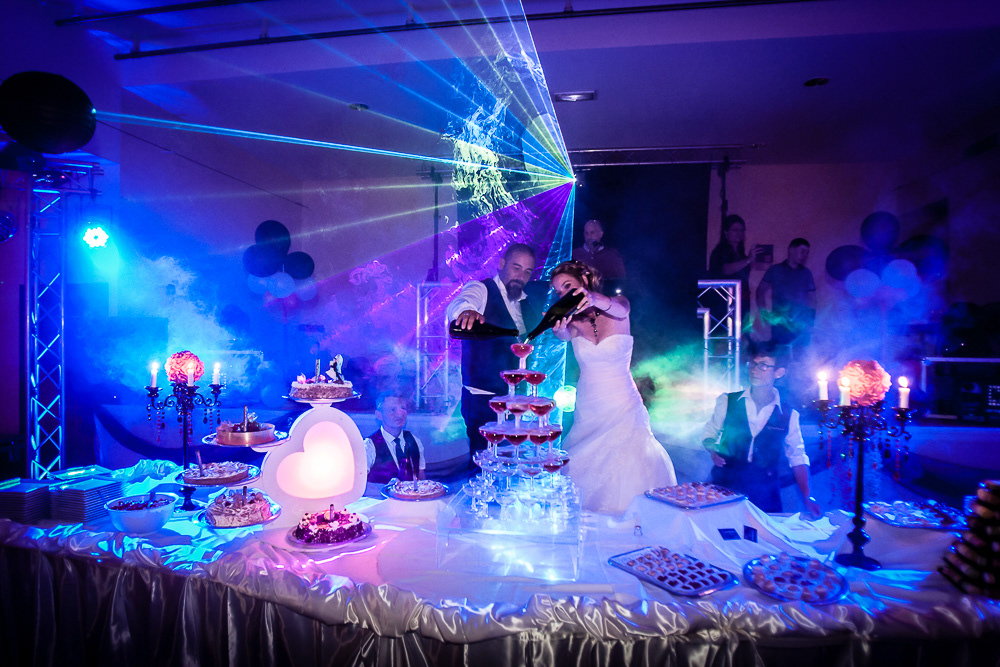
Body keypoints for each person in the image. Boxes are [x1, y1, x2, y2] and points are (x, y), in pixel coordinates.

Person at [550, 260, 677, 516]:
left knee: (632, 454)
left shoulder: (620, 305)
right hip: (590, 403)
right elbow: (562, 336)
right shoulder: (571, 322)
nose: (563, 294)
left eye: (567, 286)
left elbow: (617, 309)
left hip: (622, 398)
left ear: (584, 280)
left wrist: (593, 298)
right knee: (583, 458)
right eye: (559, 292)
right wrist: (560, 328)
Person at [446, 243, 540, 469]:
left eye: (527, 271)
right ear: (501, 264)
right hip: (483, 399)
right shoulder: (482, 289)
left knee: (511, 466)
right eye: (516, 268)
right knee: (483, 467)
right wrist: (466, 312)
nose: (521, 276)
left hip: (517, 401)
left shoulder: (527, 303)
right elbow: (460, 303)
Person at [701, 344, 821, 516]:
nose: (754, 370)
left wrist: (808, 496)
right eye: (752, 364)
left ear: (778, 373)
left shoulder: (788, 415)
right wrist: (713, 450)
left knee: (762, 539)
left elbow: (798, 457)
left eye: (763, 365)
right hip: (725, 486)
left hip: (765, 493)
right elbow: (708, 434)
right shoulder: (728, 401)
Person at [756, 238, 816, 357]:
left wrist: (811, 320)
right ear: (791, 250)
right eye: (802, 251)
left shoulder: (806, 273)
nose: (805, 255)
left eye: (807, 252)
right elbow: (760, 291)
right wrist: (763, 312)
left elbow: (812, 298)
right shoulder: (775, 270)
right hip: (780, 321)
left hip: (801, 321)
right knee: (780, 355)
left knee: (801, 355)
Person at [708, 214, 764, 317]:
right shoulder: (719, 252)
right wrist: (748, 260)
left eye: (742, 230)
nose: (739, 233)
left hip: (743, 300)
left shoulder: (741, 254)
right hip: (725, 301)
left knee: (743, 330)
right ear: (726, 232)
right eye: (735, 230)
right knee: (728, 331)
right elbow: (726, 270)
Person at [364, 393, 426, 483]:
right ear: (379, 415)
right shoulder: (369, 446)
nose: (400, 414)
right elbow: (359, 484)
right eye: (392, 410)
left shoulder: (415, 441)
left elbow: (421, 476)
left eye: (403, 408)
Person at [572, 219, 626, 288]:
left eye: (592, 233)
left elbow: (621, 278)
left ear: (600, 234)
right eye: (586, 233)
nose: (589, 237)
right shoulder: (575, 254)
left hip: (606, 294)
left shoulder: (612, 254)